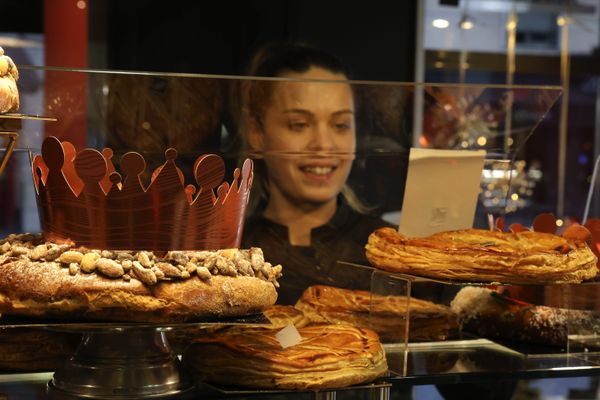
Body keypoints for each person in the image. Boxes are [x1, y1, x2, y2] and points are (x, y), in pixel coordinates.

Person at [235, 42, 395, 306]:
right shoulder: (229, 249)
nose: (324, 144)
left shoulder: (387, 250)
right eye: (299, 125)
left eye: (341, 125)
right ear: (256, 133)